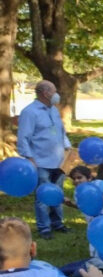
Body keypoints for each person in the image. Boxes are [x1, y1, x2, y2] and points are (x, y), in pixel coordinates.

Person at [16, 80, 72, 239]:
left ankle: (57, 223)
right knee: (43, 195)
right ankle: (44, 227)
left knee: (57, 193)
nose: (57, 94)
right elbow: (23, 137)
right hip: (40, 161)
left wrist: (67, 147)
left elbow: (61, 132)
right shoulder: (30, 112)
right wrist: (29, 158)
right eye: (54, 90)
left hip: (58, 160)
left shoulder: (53, 110)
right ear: (45, 93)